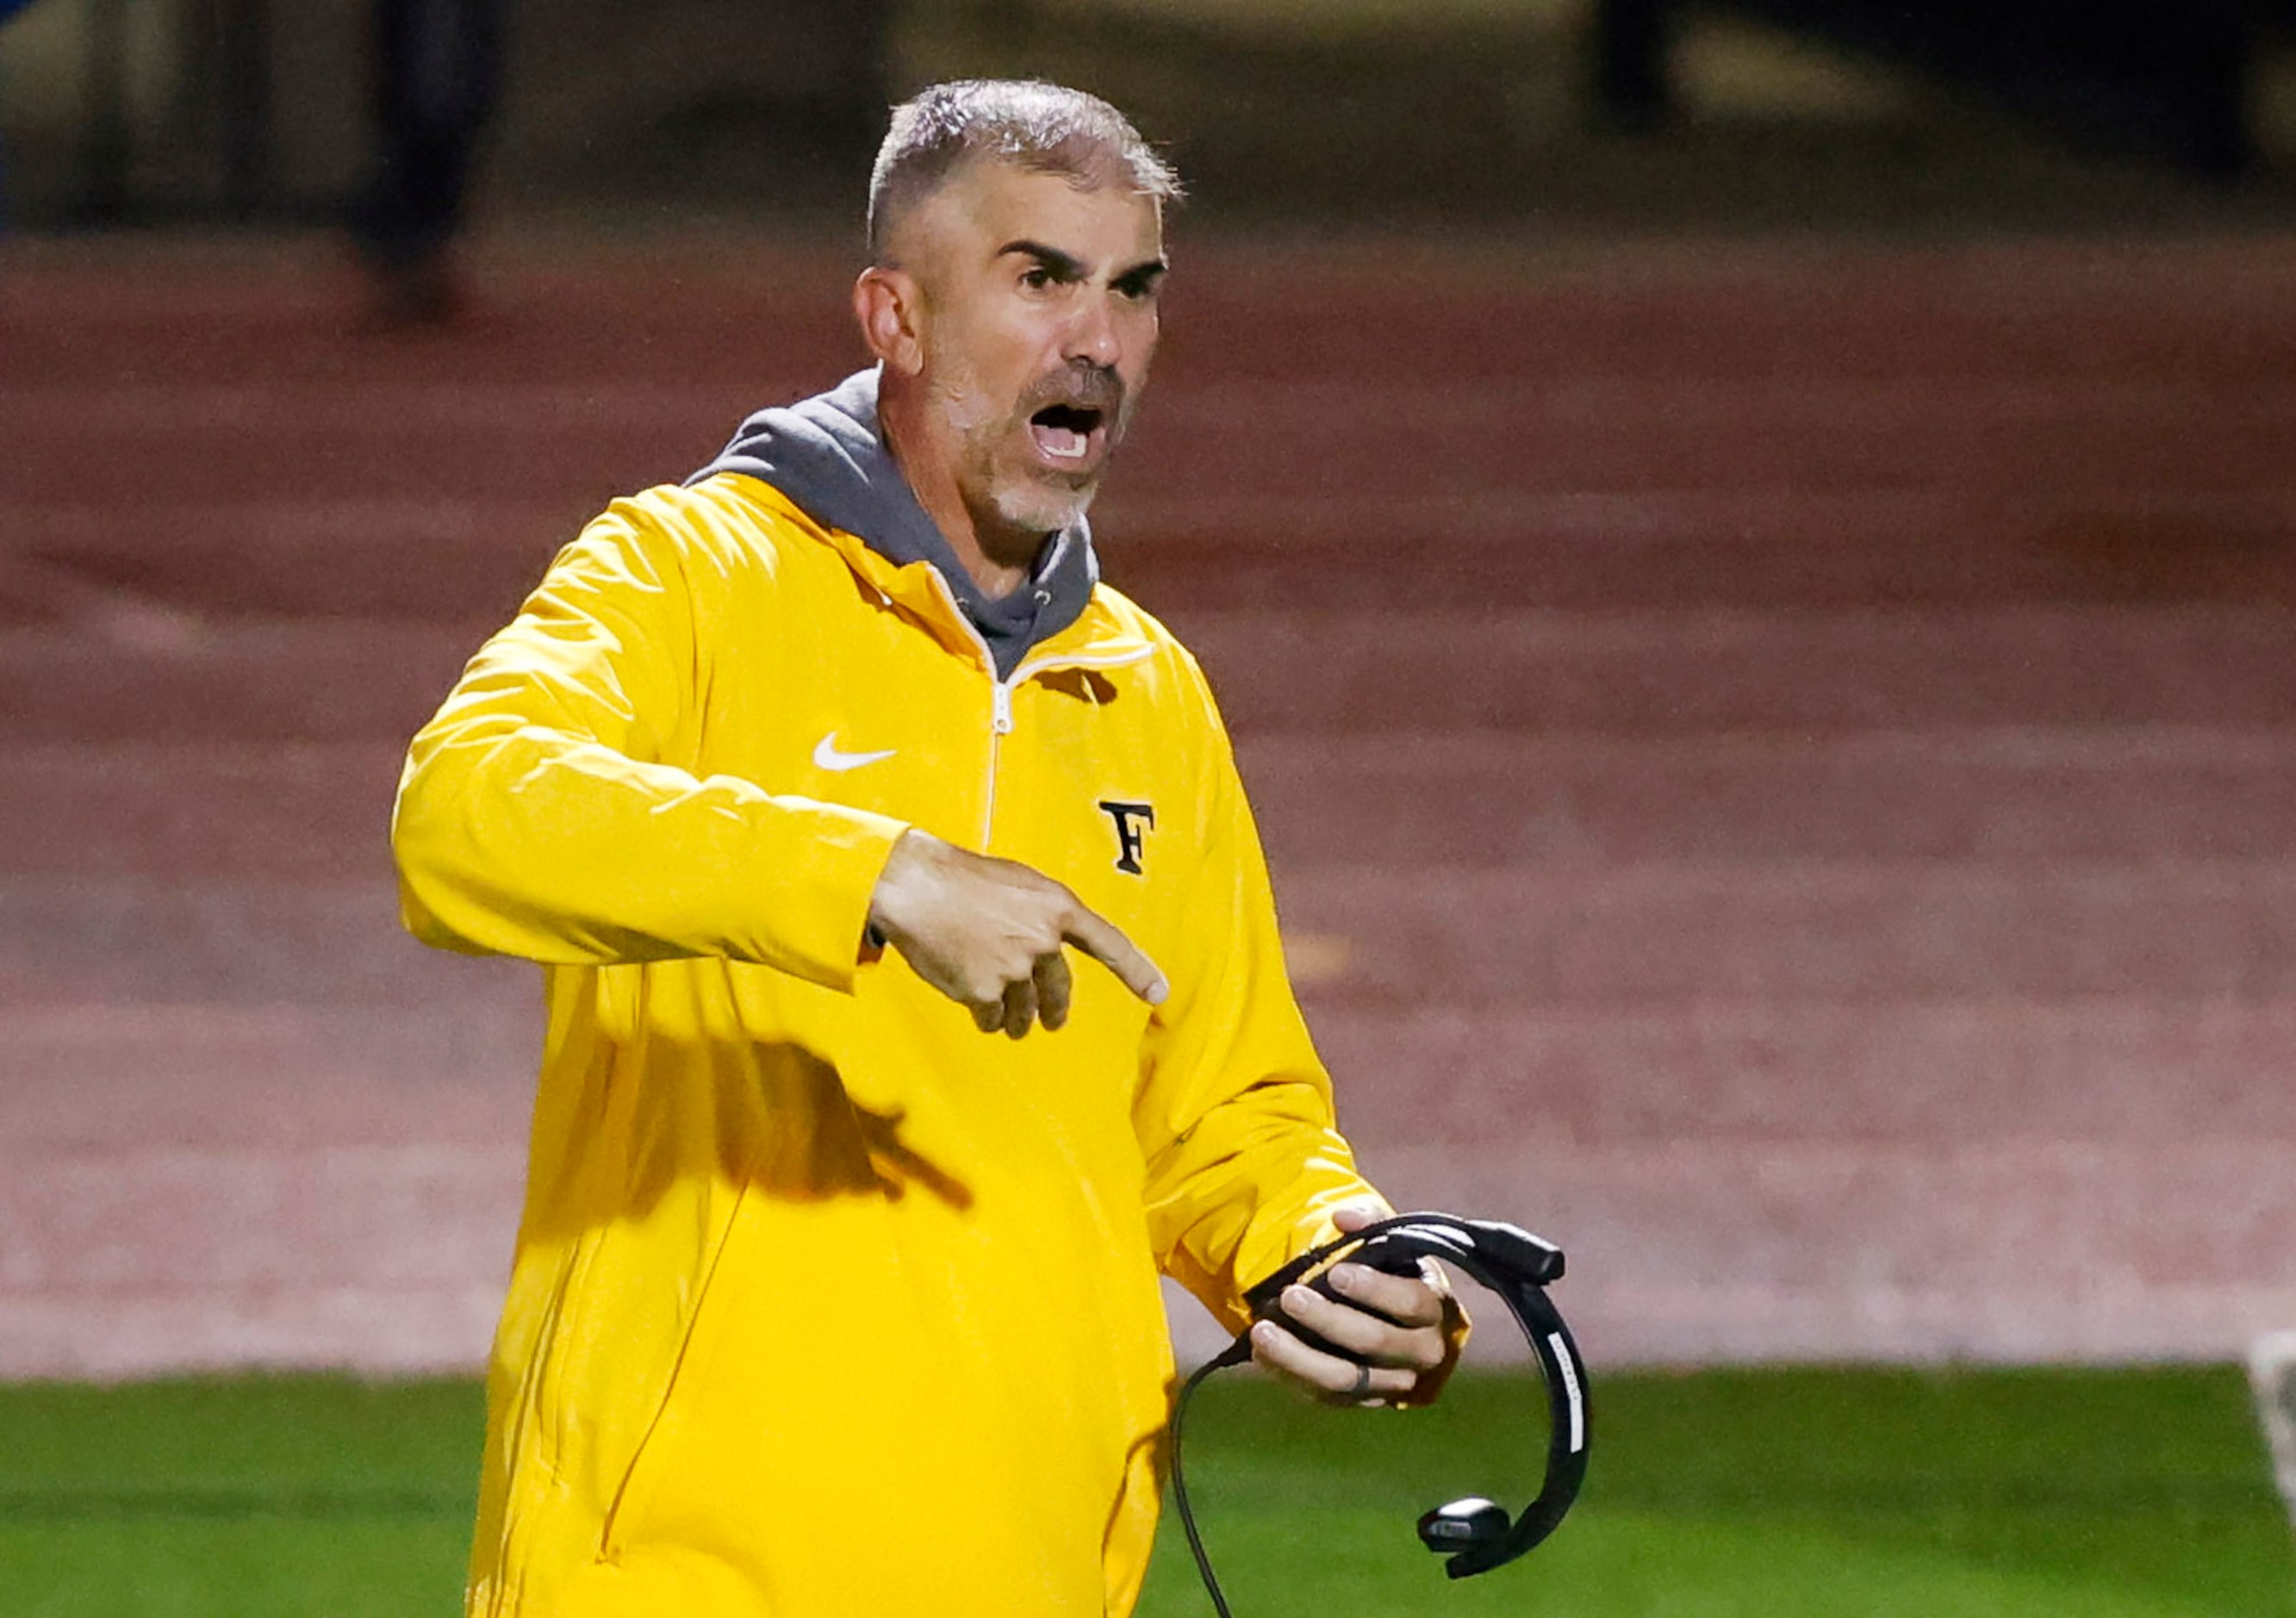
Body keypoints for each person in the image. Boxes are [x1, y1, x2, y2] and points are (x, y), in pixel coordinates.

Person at [392, 78, 1461, 1617]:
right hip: (681, 1576)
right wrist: (874, 871)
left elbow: (1223, 1108)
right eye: (1039, 279)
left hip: (1036, 1574)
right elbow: (460, 813)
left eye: (1133, 288)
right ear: (895, 316)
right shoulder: (689, 574)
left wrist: (1323, 1256)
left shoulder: (1144, 688)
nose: (1096, 339)